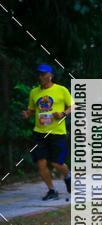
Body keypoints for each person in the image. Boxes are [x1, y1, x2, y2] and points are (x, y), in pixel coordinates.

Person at [21, 64, 72, 200]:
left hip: (57, 132)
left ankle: (68, 176)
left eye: (43, 74)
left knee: (56, 163)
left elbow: (73, 106)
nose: (41, 77)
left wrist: (63, 113)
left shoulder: (61, 90)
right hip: (39, 133)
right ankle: (52, 190)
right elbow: (32, 109)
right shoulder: (34, 92)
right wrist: (27, 114)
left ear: (51, 76)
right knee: (41, 163)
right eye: (39, 74)